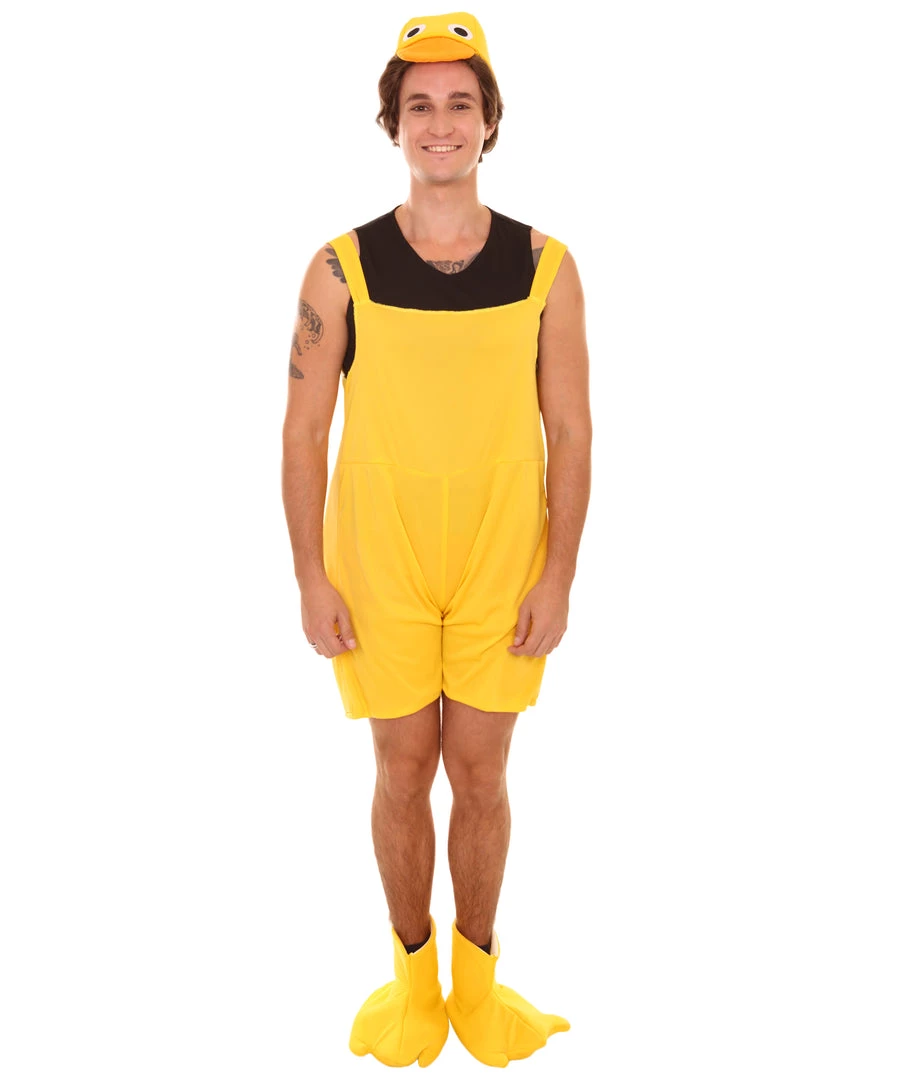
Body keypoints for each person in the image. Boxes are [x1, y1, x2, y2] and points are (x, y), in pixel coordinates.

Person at [281, 11, 591, 1068]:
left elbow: (570, 429)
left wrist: (558, 574)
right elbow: (302, 430)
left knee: (482, 771)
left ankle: (478, 985)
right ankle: (413, 983)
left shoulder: (547, 266)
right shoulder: (338, 269)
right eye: (420, 105)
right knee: (402, 766)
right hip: (381, 560)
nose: (440, 123)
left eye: (461, 103)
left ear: (490, 120)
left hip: (502, 554)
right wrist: (310, 575)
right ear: (393, 123)